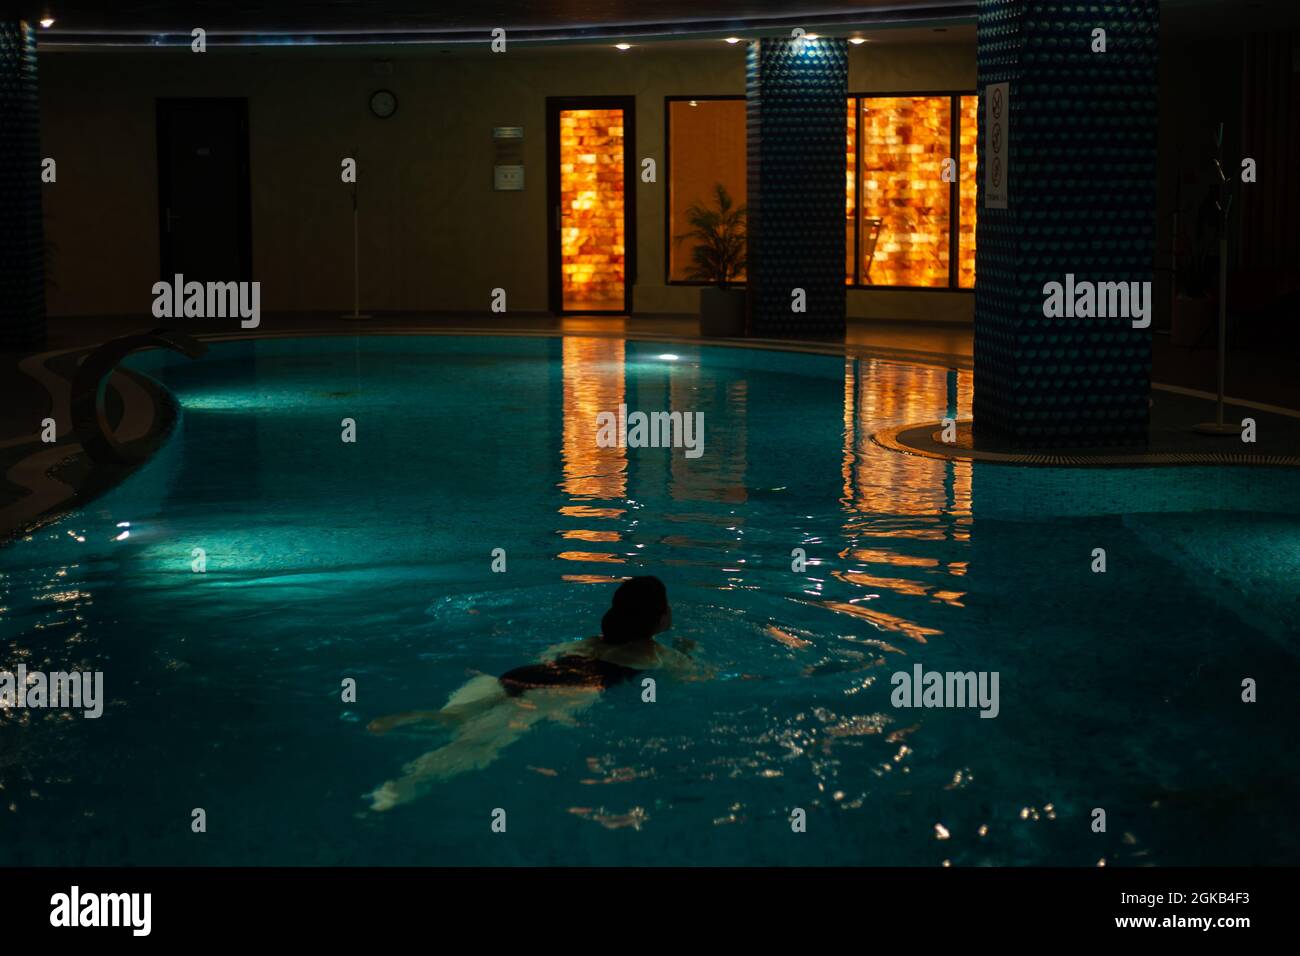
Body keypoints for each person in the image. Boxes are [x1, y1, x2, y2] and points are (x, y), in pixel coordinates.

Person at [365, 576, 700, 811]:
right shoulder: (659, 655)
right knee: (478, 744)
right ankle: (402, 787)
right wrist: (688, 651)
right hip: (564, 690)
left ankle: (430, 716)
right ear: (660, 617)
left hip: (522, 675)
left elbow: (548, 656)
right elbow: (692, 679)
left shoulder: (589, 641)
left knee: (455, 716)